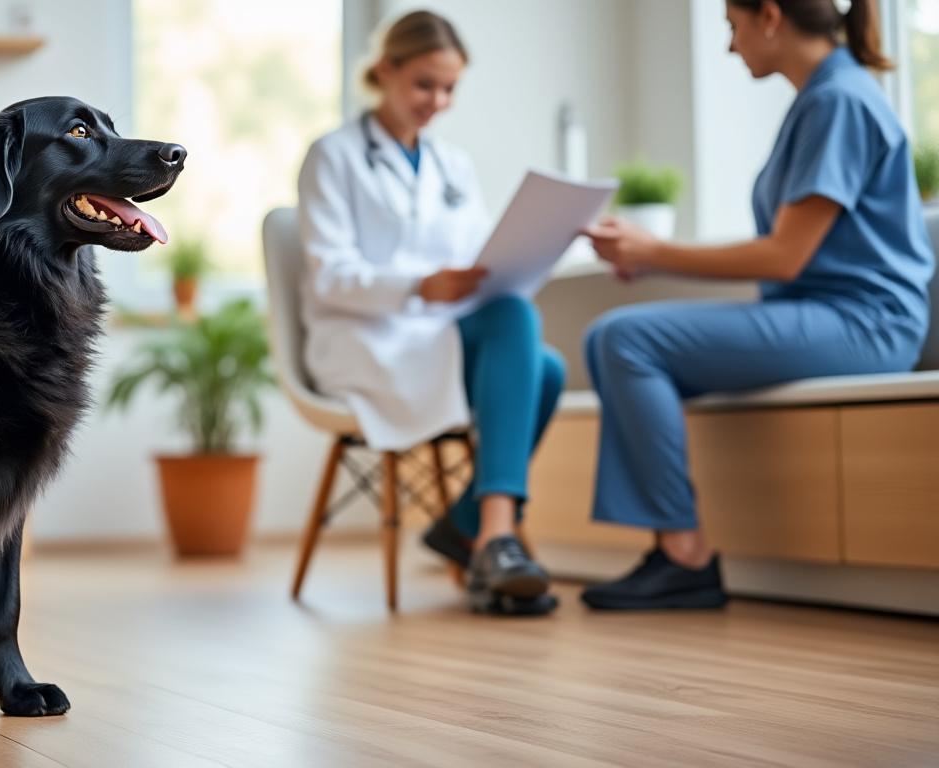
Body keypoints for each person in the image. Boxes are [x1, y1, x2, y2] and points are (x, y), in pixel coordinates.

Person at [581, 0, 934, 610]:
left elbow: (784, 257)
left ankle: (684, 555)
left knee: (625, 339)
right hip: (830, 313)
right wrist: (648, 254)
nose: (728, 45)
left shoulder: (839, 102)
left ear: (769, 17)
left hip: (865, 322)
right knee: (611, 339)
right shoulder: (826, 98)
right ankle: (677, 550)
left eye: (731, 26)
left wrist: (654, 250)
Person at [296, 11, 565, 615]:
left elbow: (472, 259)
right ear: (385, 70)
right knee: (522, 338)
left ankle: (474, 526)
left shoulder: (453, 166)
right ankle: (488, 535)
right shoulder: (332, 156)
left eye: (449, 89)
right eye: (425, 84)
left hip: (433, 333)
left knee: (544, 367)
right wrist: (419, 286)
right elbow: (331, 276)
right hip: (367, 337)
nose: (438, 101)